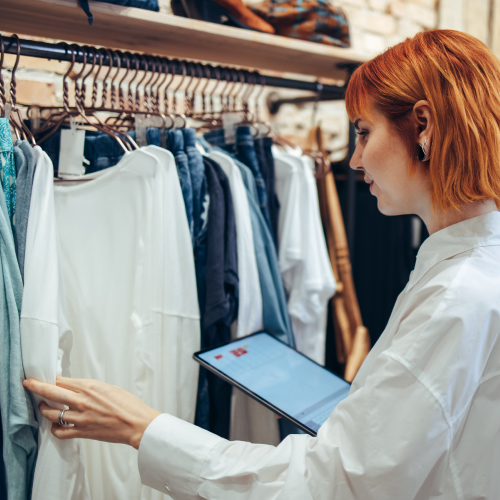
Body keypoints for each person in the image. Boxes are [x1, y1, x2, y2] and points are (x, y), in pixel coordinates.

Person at [24, 29, 500, 499]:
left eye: (363, 132)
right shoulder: (472, 270)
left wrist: (143, 428)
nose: (353, 159)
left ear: (423, 126)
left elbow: (334, 482)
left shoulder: (455, 295)